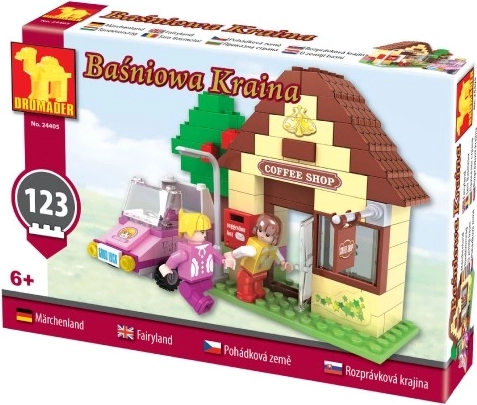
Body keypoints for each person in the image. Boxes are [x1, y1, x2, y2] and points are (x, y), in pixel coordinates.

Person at [158, 210, 235, 315]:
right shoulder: (185, 251)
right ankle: (200, 304)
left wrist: (223, 261)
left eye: (205, 231)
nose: (205, 235)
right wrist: (167, 267)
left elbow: (214, 255)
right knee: (186, 289)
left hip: (206, 280)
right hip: (190, 283)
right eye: (202, 232)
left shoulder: (207, 246)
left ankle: (201, 300)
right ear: (187, 232)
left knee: (204, 285)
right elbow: (174, 258)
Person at [226, 213, 293, 303]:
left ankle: (258, 291)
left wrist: (283, 263)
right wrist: (232, 255)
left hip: (260, 272)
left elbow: (278, 255)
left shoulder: (272, 248)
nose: (262, 235)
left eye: (267, 235)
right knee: (247, 283)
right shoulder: (254, 247)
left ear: (275, 238)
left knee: (258, 284)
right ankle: (245, 294)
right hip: (247, 273)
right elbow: (242, 250)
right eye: (260, 230)